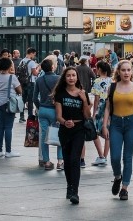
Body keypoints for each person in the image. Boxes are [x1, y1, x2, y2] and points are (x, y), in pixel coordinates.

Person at [102, 60, 133, 201]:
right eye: (123, 70)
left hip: (131, 124)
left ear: (132, 72)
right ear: (119, 72)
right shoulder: (112, 87)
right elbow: (108, 108)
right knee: (115, 156)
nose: (126, 73)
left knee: (127, 157)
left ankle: (124, 188)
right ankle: (117, 176)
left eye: (129, 70)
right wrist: (105, 125)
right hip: (115, 123)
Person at [54, 66, 92, 204]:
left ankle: (75, 191)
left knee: (75, 159)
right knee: (67, 160)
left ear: (77, 78)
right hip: (65, 130)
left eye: (73, 75)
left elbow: (88, 115)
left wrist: (84, 100)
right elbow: (58, 116)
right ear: (65, 78)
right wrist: (64, 122)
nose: (71, 78)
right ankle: (69, 186)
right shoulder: (60, 94)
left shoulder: (83, 93)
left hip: (79, 128)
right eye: (68, 75)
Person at [34, 57, 63, 171]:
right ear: (52, 67)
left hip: (43, 110)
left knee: (44, 136)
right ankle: (60, 161)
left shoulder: (39, 80)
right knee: (58, 134)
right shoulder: (58, 78)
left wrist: (39, 106)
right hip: (55, 110)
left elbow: (34, 97)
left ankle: (46, 161)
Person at [0, 56, 22, 158]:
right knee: (8, 127)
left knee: (1, 126)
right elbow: (20, 91)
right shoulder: (12, 77)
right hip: (9, 104)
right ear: (9, 66)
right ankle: (8, 151)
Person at [90, 61, 112, 165]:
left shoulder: (97, 81)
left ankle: (101, 156)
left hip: (101, 108)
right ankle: (105, 156)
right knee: (107, 133)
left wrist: (94, 113)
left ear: (99, 69)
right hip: (110, 109)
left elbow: (96, 99)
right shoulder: (112, 80)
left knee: (94, 132)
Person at [20, 48, 39, 122]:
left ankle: (21, 117)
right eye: (34, 54)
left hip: (23, 82)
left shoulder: (22, 61)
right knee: (30, 100)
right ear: (31, 53)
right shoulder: (32, 62)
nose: (34, 56)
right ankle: (30, 116)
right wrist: (38, 68)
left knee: (23, 100)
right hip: (31, 82)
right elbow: (35, 73)